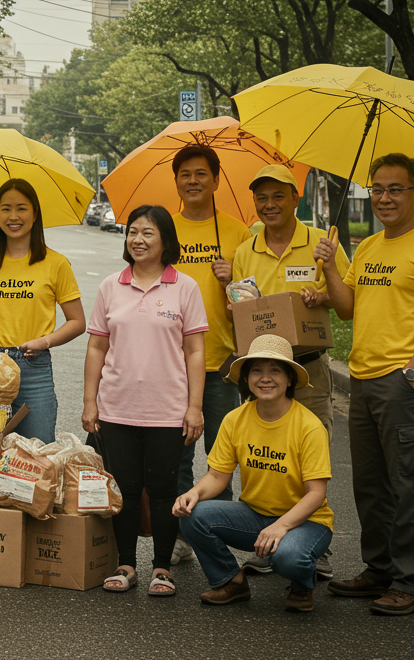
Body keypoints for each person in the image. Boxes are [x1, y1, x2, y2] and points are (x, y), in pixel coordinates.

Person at [314, 153, 414, 616]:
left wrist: (412, 372)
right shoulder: (371, 246)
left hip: (402, 383)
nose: (385, 197)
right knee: (370, 485)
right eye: (377, 188)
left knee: (406, 484)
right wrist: (333, 266)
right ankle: (379, 570)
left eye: (395, 189)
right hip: (361, 379)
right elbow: (347, 308)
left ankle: (411, 583)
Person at [229, 163, 348, 579]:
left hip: (308, 371)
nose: (269, 204)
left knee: (308, 458)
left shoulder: (321, 242)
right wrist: (237, 305)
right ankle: (267, 538)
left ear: (296, 198)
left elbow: (346, 303)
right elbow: (244, 306)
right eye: (261, 197)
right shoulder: (246, 249)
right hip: (262, 373)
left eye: (278, 195)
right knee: (264, 458)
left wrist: (326, 286)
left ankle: (311, 543)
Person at [83, 204, 207, 597]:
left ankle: (162, 568)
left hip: (167, 409)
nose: (137, 239)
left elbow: (195, 352)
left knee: (164, 488)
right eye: (132, 232)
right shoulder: (110, 286)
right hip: (117, 406)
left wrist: (194, 406)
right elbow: (96, 348)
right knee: (125, 488)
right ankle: (126, 564)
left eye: (147, 233)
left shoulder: (185, 286)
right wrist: (90, 401)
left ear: (165, 240)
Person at [175, 335, 335, 613]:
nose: (265, 379)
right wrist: (193, 493)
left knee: (287, 558)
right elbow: (216, 477)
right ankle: (231, 581)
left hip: (307, 521)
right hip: (255, 515)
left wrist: (282, 526)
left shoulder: (309, 426)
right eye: (257, 370)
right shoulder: (235, 419)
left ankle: (302, 586)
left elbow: (316, 494)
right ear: (246, 378)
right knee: (193, 515)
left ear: (289, 379)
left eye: (275, 370)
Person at [168, 144, 250, 564]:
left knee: (224, 456)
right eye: (186, 174)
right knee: (178, 458)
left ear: (216, 181)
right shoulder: (165, 231)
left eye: (202, 174)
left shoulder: (238, 233)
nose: (194, 181)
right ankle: (183, 534)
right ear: (176, 181)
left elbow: (252, 302)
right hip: (171, 365)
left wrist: (231, 279)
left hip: (222, 363)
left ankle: (223, 532)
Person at [0, 178, 86, 442]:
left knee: (37, 456)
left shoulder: (56, 263)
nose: (13, 216)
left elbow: (77, 321)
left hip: (33, 366)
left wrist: (45, 341)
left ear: (35, 213)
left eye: (21, 208)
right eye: (5, 208)